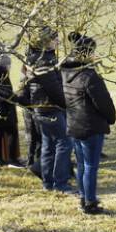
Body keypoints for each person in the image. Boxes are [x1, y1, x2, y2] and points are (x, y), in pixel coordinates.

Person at [61, 32, 116, 214]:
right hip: (90, 126)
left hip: (74, 124)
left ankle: (84, 198)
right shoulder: (89, 76)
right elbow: (103, 102)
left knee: (82, 164)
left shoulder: (65, 73)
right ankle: (90, 203)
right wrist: (111, 117)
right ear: (87, 54)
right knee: (90, 166)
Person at [24, 31, 73, 193]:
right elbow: (54, 89)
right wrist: (67, 104)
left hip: (42, 108)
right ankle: (60, 183)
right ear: (47, 42)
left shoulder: (40, 59)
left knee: (48, 144)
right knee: (64, 143)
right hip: (49, 107)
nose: (58, 41)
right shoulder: (43, 62)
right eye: (55, 39)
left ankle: (48, 182)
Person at [0, 54, 24, 168]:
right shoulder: (2, 74)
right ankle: (12, 159)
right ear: (6, 65)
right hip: (5, 109)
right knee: (12, 133)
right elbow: (7, 93)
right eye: (10, 65)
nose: (10, 67)